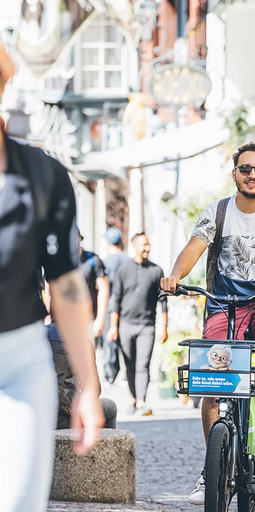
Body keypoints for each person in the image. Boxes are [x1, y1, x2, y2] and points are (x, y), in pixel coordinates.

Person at [159, 141, 255, 505]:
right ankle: (210, 470)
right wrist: (175, 276)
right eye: (246, 169)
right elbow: (192, 249)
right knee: (212, 376)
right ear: (234, 174)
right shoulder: (217, 212)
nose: (252, 175)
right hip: (223, 304)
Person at [0, 41, 103, 512]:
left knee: (20, 501)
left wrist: (87, 385)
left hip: (20, 362)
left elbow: (65, 284)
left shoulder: (44, 175)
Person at [107, 232, 168, 416]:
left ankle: (141, 401)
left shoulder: (157, 271)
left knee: (143, 364)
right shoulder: (124, 270)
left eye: (148, 244)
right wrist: (113, 327)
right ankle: (133, 399)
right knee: (130, 365)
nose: (147, 248)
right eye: (143, 245)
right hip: (125, 325)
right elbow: (115, 299)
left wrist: (164, 327)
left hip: (147, 326)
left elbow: (163, 301)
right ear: (135, 246)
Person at [47, 323, 118, 429]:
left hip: (35, 412)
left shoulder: (39, 335)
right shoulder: (81, 339)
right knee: (110, 408)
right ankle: (101, 445)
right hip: (60, 416)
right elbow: (94, 390)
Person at [102, 227, 131, 383]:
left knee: (110, 339)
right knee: (126, 339)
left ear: (108, 242)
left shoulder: (105, 262)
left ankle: (111, 374)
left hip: (110, 305)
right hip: (126, 306)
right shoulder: (129, 261)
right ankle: (128, 372)